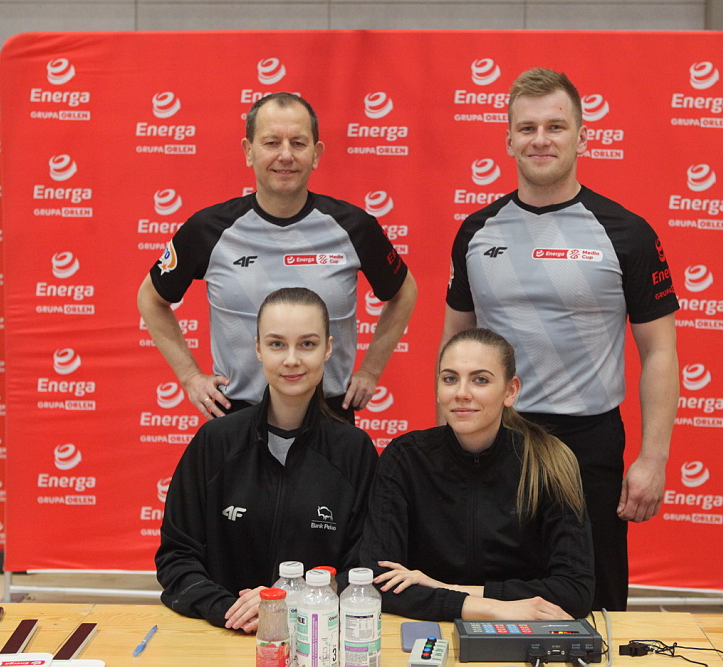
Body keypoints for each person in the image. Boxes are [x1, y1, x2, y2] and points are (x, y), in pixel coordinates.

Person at [441, 68, 679, 611]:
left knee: (591, 601)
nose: (540, 140)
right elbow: (454, 344)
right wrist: (447, 440)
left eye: (555, 126)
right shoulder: (476, 231)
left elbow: (660, 352)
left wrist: (654, 458)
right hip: (494, 436)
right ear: (508, 140)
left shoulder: (627, 233)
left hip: (587, 444)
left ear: (582, 136)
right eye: (527, 128)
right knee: (490, 597)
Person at [138, 92, 417, 421]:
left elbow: (404, 292)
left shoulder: (354, 227)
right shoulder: (208, 229)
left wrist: (370, 371)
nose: (285, 155)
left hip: (330, 417)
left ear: (316, 154)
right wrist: (190, 377)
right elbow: (151, 298)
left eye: (298, 143)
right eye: (272, 143)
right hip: (237, 418)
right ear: (248, 151)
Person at [156, 287, 379, 631]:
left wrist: (293, 602)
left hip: (316, 638)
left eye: (307, 344)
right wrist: (231, 610)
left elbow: (363, 568)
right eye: (277, 344)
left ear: (328, 349)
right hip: (222, 634)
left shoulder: (354, 451)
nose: (291, 359)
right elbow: (176, 558)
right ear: (258, 349)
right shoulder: (215, 442)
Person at [359, 328, 594, 621]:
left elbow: (574, 591)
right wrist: (496, 608)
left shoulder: (548, 462)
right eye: (450, 379)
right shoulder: (404, 457)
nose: (461, 393)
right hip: (430, 627)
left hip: (524, 632)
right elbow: (377, 580)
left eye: (480, 380)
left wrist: (447, 589)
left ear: (510, 391)